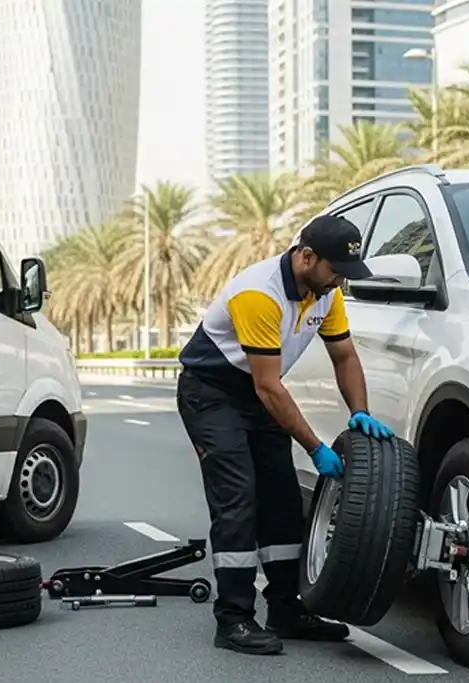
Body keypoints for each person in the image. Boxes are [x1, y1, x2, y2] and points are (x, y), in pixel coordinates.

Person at [175, 214, 394, 655]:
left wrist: (360, 413)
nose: (339, 282)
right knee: (238, 498)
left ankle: (285, 609)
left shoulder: (325, 292)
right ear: (306, 256)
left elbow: (345, 356)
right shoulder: (260, 294)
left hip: (259, 394)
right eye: (334, 270)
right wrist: (315, 448)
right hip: (213, 393)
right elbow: (268, 386)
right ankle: (233, 619)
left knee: (283, 501)